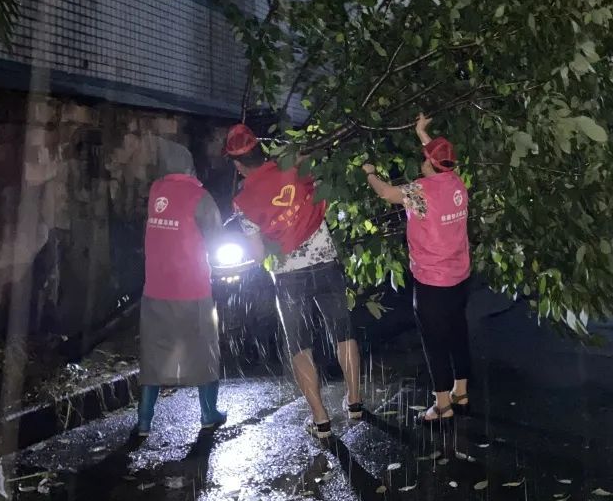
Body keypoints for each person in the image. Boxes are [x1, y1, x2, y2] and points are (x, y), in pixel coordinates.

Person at [223, 123, 363, 439]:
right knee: (343, 333)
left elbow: (259, 254)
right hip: (325, 261)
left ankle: (321, 420)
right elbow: (319, 165)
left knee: (300, 345)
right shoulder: (293, 165)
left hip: (288, 276)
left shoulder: (243, 203)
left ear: (238, 166)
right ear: (261, 150)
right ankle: (354, 402)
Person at [363, 114, 471, 422]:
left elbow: (386, 193)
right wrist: (423, 134)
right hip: (459, 277)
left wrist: (370, 173)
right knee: (458, 334)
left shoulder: (420, 191)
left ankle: (442, 405)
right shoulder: (456, 183)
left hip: (432, 282)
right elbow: (440, 158)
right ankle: (460, 392)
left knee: (435, 342)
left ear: (428, 163)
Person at [137, 138, 227, 436]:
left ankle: (144, 420)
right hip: (193, 290)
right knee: (205, 349)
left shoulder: (155, 191)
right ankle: (208, 413)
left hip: (155, 289)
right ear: (189, 165)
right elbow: (214, 236)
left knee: (153, 354)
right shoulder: (199, 196)